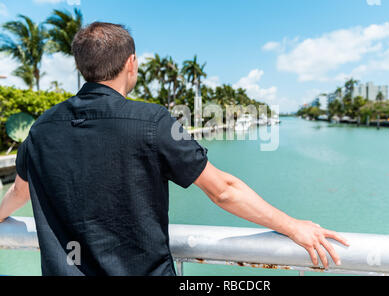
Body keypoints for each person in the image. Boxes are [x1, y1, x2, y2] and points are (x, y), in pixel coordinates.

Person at [0, 22, 349, 276]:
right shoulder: (153, 121)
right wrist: (291, 225)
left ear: (81, 65)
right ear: (131, 63)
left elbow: (20, 190)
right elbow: (223, 191)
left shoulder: (42, 127)